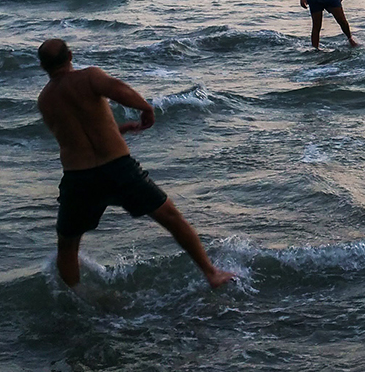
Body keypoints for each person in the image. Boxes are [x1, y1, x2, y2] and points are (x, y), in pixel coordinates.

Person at [35, 39, 234, 289]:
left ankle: (74, 299)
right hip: (118, 169)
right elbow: (118, 89)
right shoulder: (88, 77)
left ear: (43, 66)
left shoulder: (45, 100)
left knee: (67, 244)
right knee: (170, 217)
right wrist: (145, 108)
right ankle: (211, 274)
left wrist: (116, 131)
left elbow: (74, 138)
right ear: (71, 56)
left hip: (79, 178)